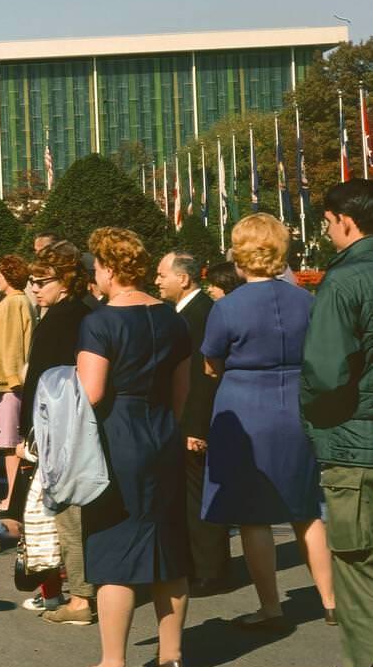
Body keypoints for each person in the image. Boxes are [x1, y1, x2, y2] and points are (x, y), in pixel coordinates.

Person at [201, 213, 336, 631]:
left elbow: (211, 362)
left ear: (240, 255)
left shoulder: (227, 306)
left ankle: (271, 606)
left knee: (254, 514)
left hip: (245, 405)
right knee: (306, 507)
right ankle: (330, 600)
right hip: (298, 404)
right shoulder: (307, 301)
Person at [77, 227, 190, 667]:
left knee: (114, 552)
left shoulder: (100, 321)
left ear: (107, 269)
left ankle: (113, 661)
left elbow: (92, 392)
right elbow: (182, 392)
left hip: (115, 438)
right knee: (168, 547)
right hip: (162, 431)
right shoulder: (172, 317)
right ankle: (173, 654)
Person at [302, 179, 373, 667]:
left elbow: (325, 372)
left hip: (356, 446)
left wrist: (309, 412)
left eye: (327, 223)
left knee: (360, 587)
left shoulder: (344, 280)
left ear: (345, 221)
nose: (327, 231)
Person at [19, 241, 96, 626]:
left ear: (65, 281)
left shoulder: (60, 319)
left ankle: (80, 597)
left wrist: (26, 435)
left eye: (41, 280)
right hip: (77, 424)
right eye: (31, 281)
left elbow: (41, 381)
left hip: (59, 428)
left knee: (66, 513)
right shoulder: (82, 313)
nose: (34, 287)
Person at [154, 250, 231, 596]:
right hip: (187, 418)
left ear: (183, 279)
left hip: (195, 422)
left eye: (161, 274)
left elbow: (205, 376)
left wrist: (196, 428)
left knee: (199, 496)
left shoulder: (198, 314)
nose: (157, 281)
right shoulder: (187, 312)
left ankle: (211, 571)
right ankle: (201, 564)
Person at [0, 254, 33, 515]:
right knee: (11, 444)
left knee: (11, 445)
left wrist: (11, 379)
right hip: (10, 382)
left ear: (10, 275)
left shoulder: (14, 304)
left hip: (9, 384)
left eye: (0, 273)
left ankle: (12, 499)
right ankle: (12, 496)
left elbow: (13, 346)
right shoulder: (15, 302)